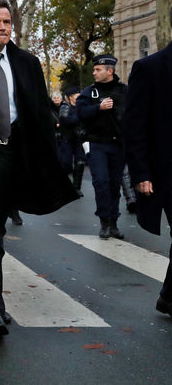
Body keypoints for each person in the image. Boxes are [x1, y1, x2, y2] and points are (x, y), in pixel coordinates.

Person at [0, 0, 77, 339]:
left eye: (7, 22)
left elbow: (39, 112)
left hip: (17, 156)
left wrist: (48, 162)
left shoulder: (27, 62)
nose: (3, 28)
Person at [122, 31, 172, 317]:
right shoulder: (150, 68)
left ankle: (168, 295)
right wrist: (141, 173)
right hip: (165, 170)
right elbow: (134, 126)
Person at [76, 54, 128, 239]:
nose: (94, 72)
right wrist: (98, 108)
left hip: (117, 145)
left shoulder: (124, 91)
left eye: (98, 70)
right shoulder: (89, 92)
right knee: (101, 182)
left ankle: (114, 223)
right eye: (95, 69)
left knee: (114, 185)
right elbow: (79, 113)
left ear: (110, 71)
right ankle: (104, 222)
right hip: (97, 144)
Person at [58, 86, 86, 197]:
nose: (79, 97)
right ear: (71, 97)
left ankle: (76, 189)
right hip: (67, 139)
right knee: (66, 165)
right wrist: (79, 116)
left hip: (79, 139)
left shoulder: (81, 107)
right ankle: (62, 186)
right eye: (76, 95)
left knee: (80, 163)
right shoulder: (65, 106)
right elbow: (65, 120)